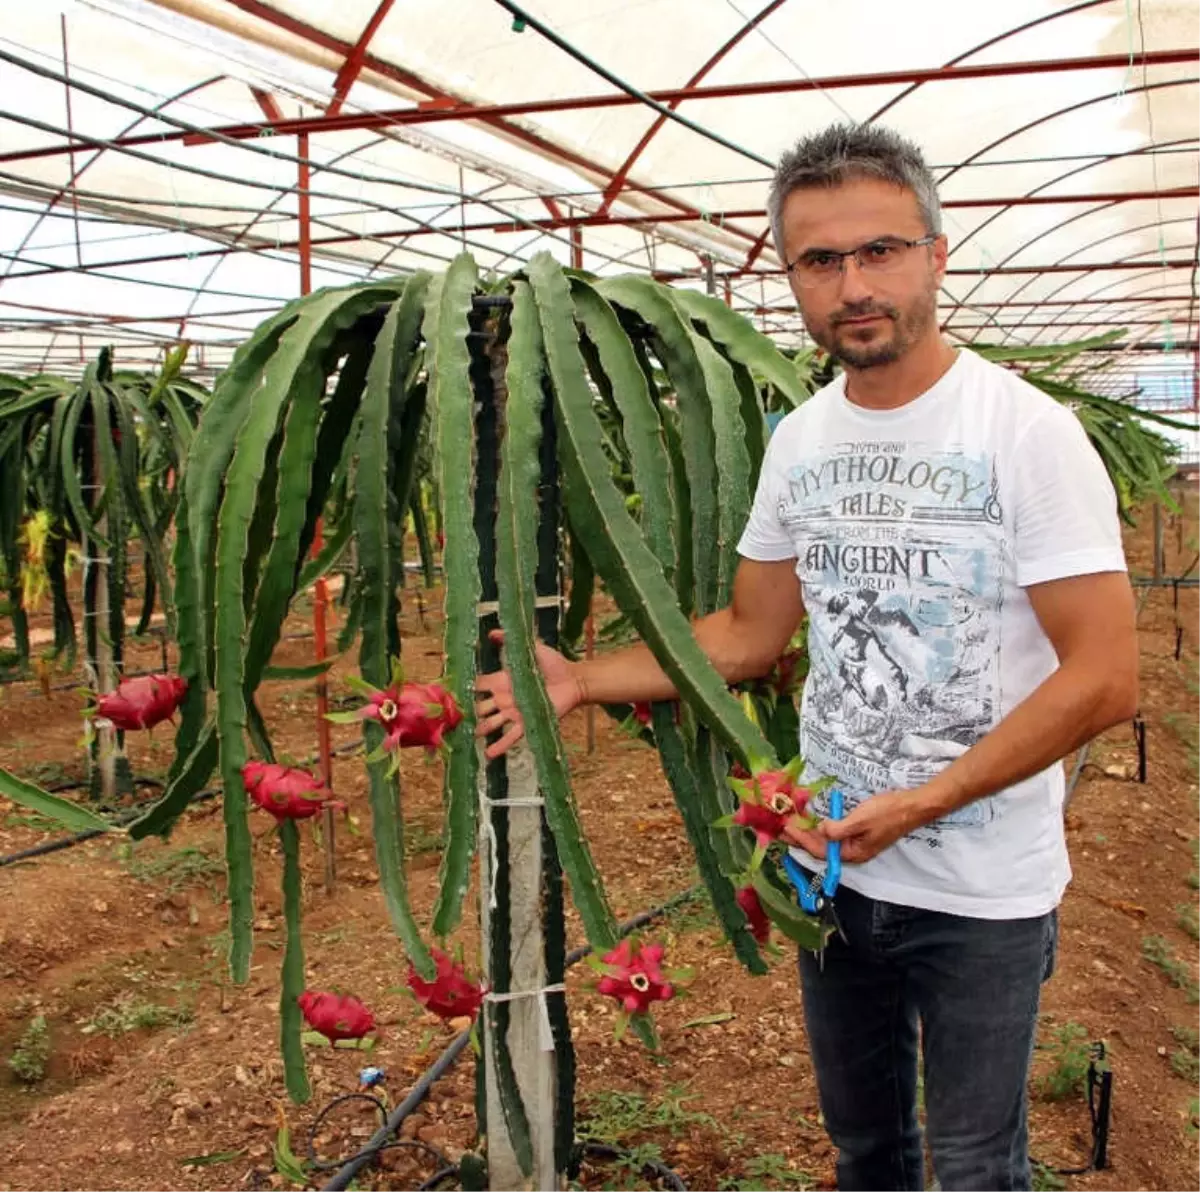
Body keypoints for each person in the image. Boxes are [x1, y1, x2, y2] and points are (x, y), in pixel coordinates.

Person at [474, 123, 1138, 1192]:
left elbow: (1106, 675)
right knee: (866, 1148)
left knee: (975, 1166)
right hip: (828, 868)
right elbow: (749, 633)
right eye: (820, 261)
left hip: (980, 891)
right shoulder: (802, 440)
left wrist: (922, 802)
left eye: (880, 249)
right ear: (793, 278)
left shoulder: (1025, 433)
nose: (853, 283)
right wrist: (584, 679)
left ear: (935, 253)